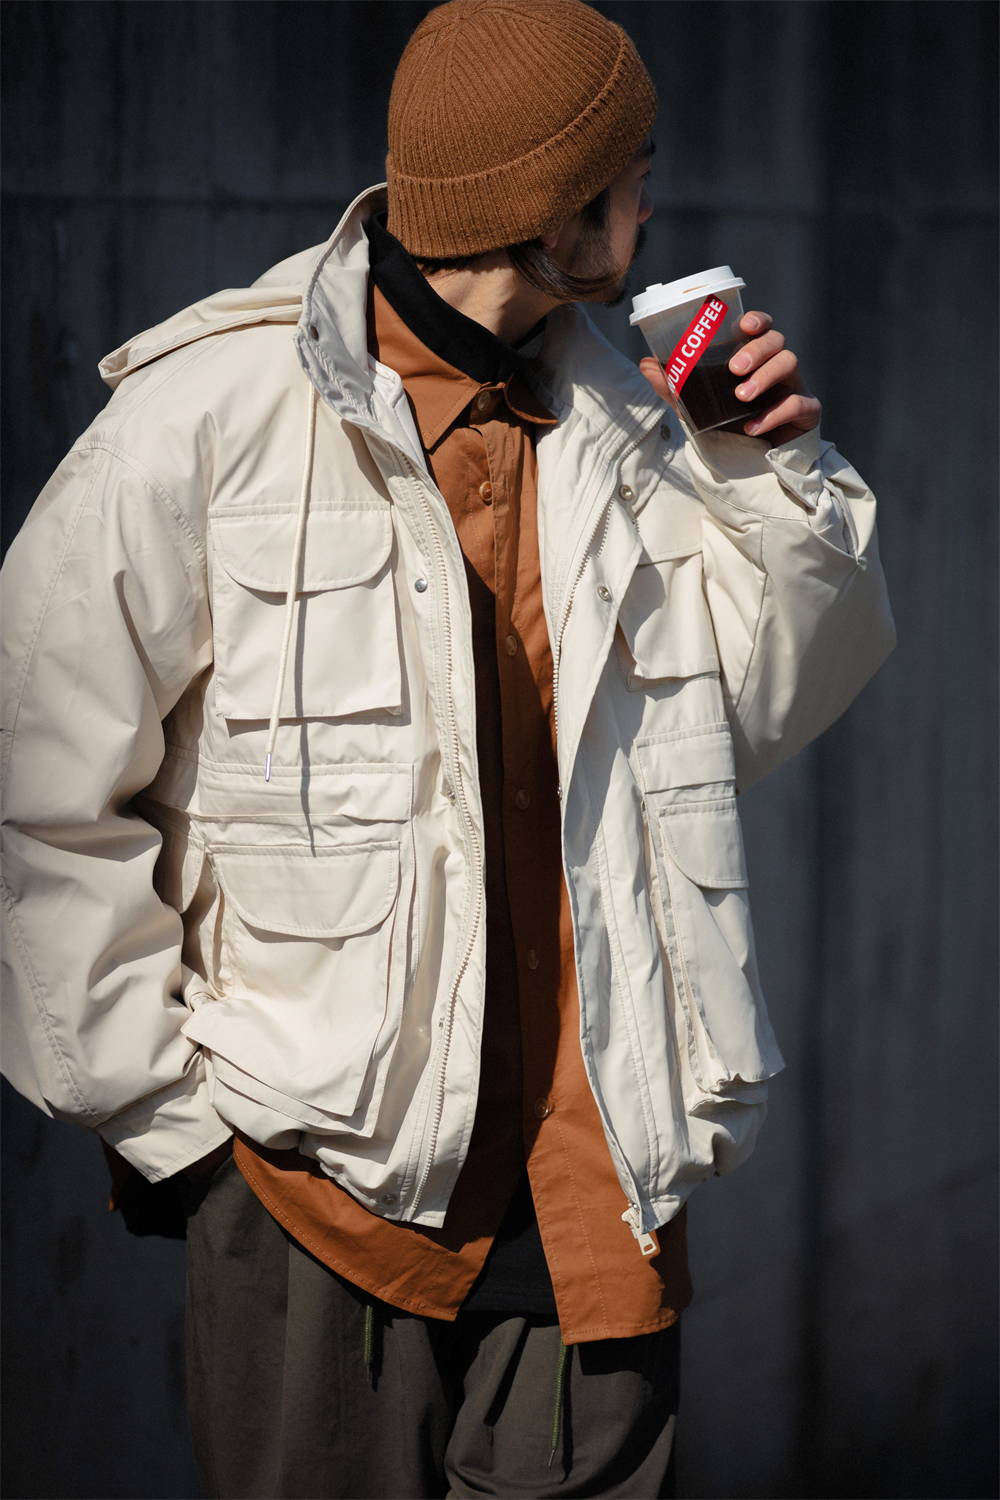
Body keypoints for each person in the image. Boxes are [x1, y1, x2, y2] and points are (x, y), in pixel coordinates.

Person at [0, 1, 895, 1495]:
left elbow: (766, 703)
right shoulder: (206, 418)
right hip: (318, 1200)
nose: (652, 206)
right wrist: (180, 1133)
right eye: (631, 178)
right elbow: (35, 784)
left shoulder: (636, 420)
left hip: (601, 1191)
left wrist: (766, 470)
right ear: (550, 220)